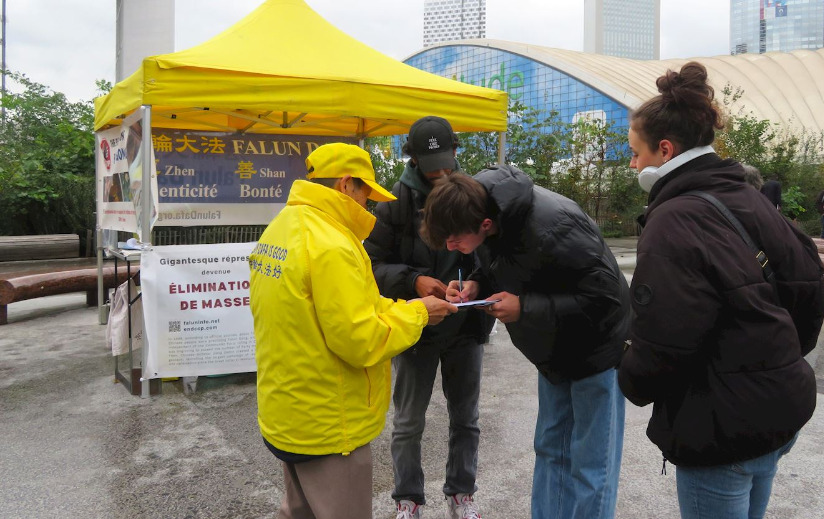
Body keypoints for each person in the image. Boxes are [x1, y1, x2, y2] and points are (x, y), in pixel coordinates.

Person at [617, 61, 824, 519]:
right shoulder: (751, 198)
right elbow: (811, 292)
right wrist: (778, 361)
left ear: (665, 149)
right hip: (778, 409)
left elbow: (664, 338)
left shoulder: (672, 220)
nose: (632, 164)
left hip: (720, 425)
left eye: (635, 153)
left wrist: (628, 377)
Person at [249, 142, 458, 519]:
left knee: (297, 511)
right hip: (330, 426)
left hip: (289, 412)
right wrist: (419, 317)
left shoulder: (283, 228)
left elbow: (352, 308)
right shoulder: (331, 244)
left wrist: (409, 306)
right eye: (366, 194)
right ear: (347, 185)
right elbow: (360, 340)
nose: (369, 205)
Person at [420, 167, 631, 519]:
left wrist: (526, 308)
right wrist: (476, 285)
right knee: (550, 449)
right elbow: (497, 263)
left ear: (485, 225)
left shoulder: (554, 226)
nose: (449, 247)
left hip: (597, 351)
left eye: (455, 239)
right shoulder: (481, 211)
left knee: (591, 465)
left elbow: (605, 299)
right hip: (553, 351)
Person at [364, 116, 494, 519]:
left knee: (466, 419)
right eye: (431, 163)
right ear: (413, 159)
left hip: (464, 328)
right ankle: (408, 498)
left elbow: (491, 256)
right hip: (415, 326)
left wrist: (474, 283)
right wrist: (416, 280)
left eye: (446, 160)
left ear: (456, 150)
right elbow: (370, 264)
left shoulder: (473, 193)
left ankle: (461, 493)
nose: (441, 171)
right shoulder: (392, 203)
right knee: (407, 420)